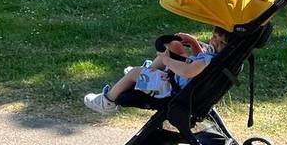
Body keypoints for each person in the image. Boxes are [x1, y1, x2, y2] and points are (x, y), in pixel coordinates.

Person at [84, 27, 229, 114]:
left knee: (134, 73)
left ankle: (107, 101)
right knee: (174, 45)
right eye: (214, 37)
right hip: (181, 80)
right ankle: (147, 72)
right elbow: (198, 59)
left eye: (221, 42)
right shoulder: (213, 58)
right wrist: (193, 42)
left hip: (173, 88)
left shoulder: (209, 61)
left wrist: (167, 61)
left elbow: (187, 71)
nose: (215, 42)